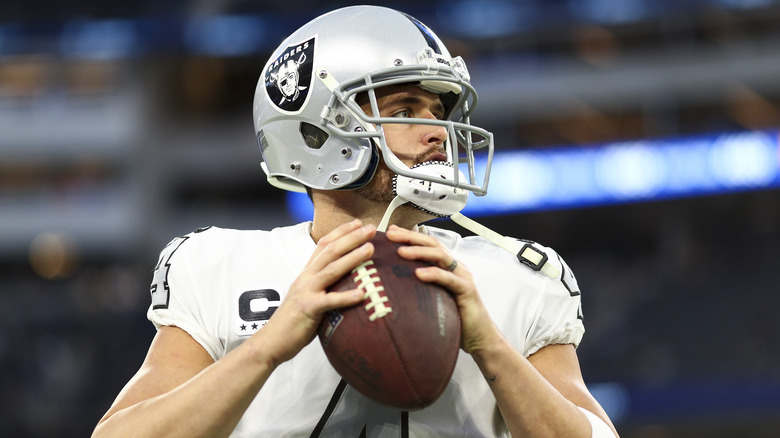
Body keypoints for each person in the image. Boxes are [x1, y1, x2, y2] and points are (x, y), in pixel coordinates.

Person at [93, 5, 619, 438]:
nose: (437, 131)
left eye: (439, 111)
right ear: (320, 132)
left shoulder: (518, 274)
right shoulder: (220, 264)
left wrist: (490, 347)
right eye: (407, 108)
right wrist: (268, 347)